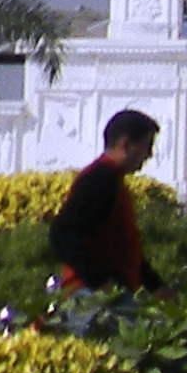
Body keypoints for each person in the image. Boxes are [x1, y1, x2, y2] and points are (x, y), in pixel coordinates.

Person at [48, 109, 165, 295]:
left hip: (113, 290)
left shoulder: (114, 180)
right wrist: (99, 281)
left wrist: (155, 285)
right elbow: (62, 232)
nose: (149, 155)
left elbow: (121, 247)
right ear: (125, 145)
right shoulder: (99, 179)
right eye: (146, 146)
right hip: (91, 295)